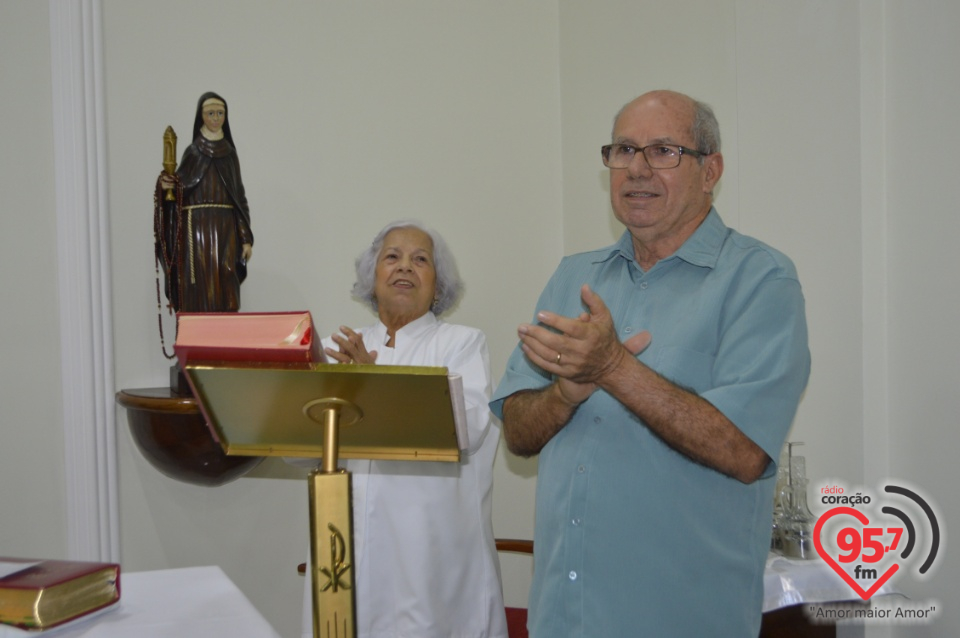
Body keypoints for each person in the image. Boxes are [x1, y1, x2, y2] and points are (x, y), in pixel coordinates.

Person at [490, 90, 811, 637]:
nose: (636, 169)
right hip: (562, 619)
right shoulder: (574, 277)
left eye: (663, 151)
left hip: (682, 618)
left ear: (711, 170)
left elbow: (744, 451)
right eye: (623, 150)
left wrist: (613, 367)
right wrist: (564, 394)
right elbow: (518, 433)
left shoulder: (760, 280)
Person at [301, 220, 508, 638]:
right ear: (371, 277)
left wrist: (371, 383)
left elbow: (462, 428)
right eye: (391, 257)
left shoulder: (461, 345)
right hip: (344, 555)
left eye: (420, 260)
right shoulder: (341, 346)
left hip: (430, 567)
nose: (404, 267)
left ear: (439, 285)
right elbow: (298, 449)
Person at [157, 91, 253, 312]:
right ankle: (199, 332)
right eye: (211, 113)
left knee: (226, 278)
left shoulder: (229, 154)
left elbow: (238, 197)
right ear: (202, 116)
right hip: (196, 227)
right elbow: (178, 191)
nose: (216, 118)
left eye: (220, 113)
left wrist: (245, 238)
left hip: (226, 228)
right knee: (197, 279)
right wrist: (167, 188)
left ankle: (225, 335)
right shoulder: (193, 152)